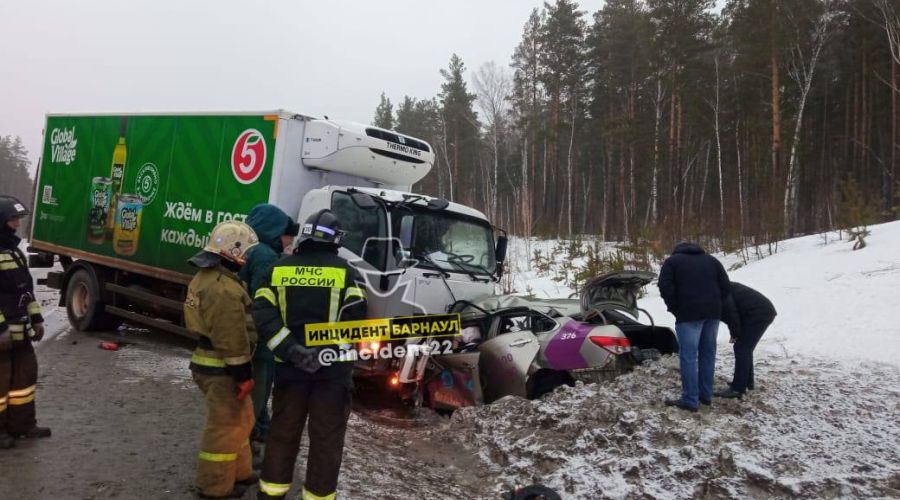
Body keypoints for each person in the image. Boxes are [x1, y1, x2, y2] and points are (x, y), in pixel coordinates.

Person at [253, 209, 367, 500]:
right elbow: (355, 322)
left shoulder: (279, 269)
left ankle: (271, 494)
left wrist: (292, 350)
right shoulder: (347, 274)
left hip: (290, 373)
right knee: (326, 443)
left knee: (281, 436)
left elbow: (263, 313)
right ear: (336, 240)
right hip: (331, 377)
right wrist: (324, 353)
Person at [185, 221, 260, 498]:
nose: (247, 258)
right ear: (233, 252)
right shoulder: (223, 290)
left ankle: (239, 472)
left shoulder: (207, 277)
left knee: (242, 419)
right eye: (245, 253)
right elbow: (231, 339)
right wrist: (243, 376)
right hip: (222, 369)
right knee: (224, 426)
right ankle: (214, 486)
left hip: (214, 363)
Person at [239, 204, 299, 446]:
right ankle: (254, 434)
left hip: (252, 332)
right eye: (287, 235)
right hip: (261, 336)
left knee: (259, 386)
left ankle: (260, 426)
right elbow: (262, 298)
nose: (289, 241)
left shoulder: (254, 249)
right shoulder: (265, 256)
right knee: (260, 386)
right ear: (274, 231)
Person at [0, 195, 51, 449]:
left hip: (21, 333)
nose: (16, 225)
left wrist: (37, 319)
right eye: (12, 220)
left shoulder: (14, 252)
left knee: (24, 380)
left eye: (17, 220)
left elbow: (25, 291)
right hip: (3, 335)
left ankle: (22, 426)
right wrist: (1, 328)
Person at [658, 242, 730, 412]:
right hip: (713, 313)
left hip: (688, 314)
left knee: (689, 357)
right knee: (708, 354)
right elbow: (726, 287)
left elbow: (664, 286)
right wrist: (716, 304)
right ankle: (705, 395)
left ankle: (690, 399)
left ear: (677, 250)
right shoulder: (712, 261)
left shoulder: (672, 262)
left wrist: (675, 308)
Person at [716, 282, 777, 398]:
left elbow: (731, 314)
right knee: (744, 348)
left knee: (742, 348)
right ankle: (747, 382)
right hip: (756, 311)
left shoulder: (719, 292)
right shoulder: (720, 287)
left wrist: (734, 333)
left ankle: (738, 389)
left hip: (759, 313)